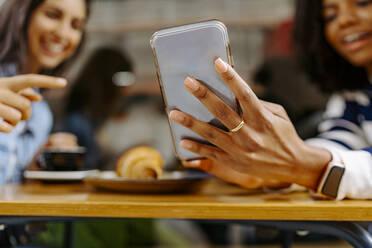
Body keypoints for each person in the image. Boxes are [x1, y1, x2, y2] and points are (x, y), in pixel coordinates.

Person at [169, 0, 372, 200]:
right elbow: (339, 145)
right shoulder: (352, 96)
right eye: (330, 15)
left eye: (363, 3)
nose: (344, 20)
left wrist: (305, 165)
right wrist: (275, 173)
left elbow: (323, 163)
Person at [0, 0, 90, 183]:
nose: (63, 33)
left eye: (75, 25)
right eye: (52, 15)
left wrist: (37, 163)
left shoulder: (41, 114)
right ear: (24, 14)